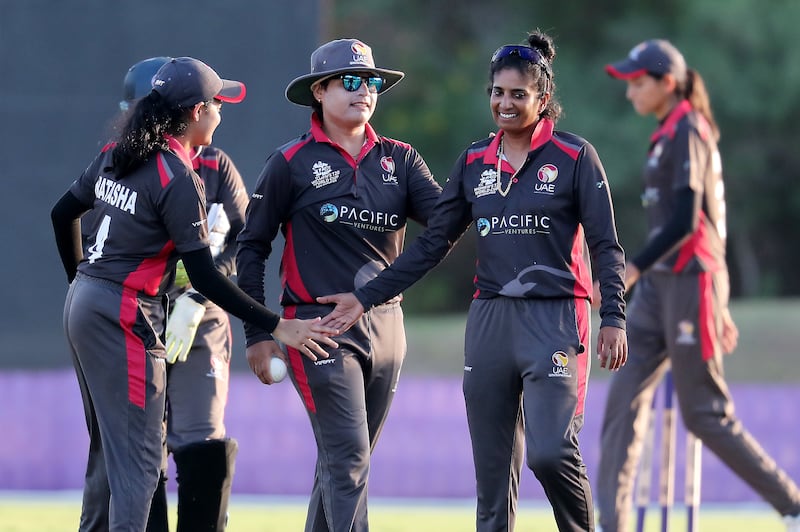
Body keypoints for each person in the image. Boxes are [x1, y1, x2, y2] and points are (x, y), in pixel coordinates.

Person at [317, 30, 628, 532]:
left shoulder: (575, 156)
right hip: (489, 323)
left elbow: (606, 245)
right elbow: (432, 243)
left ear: (542, 99)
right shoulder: (473, 161)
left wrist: (614, 316)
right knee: (492, 484)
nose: (505, 104)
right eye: (497, 93)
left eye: (518, 95)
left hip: (555, 319)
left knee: (549, 453)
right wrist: (366, 298)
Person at [51, 56, 338, 532]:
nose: (222, 112)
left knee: (111, 450)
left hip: (86, 301)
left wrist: (82, 280)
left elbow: (62, 215)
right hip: (126, 312)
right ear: (196, 111)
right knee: (142, 464)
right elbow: (204, 276)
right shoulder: (176, 174)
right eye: (218, 103)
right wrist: (274, 323)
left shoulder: (117, 152)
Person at [235, 38, 442, 531]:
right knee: (349, 459)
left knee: (345, 462)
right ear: (320, 91)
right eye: (350, 81)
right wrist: (258, 334)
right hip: (318, 330)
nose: (363, 91)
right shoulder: (289, 162)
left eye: (370, 82)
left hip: (387, 325)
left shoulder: (403, 160)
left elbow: (446, 226)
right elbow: (251, 247)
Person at [595, 39, 800, 532]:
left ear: (667, 84)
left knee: (704, 414)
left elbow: (691, 220)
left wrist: (641, 269)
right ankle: (611, 523)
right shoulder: (667, 130)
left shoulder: (689, 126)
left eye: (638, 83)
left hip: (691, 282)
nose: (630, 94)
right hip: (659, 290)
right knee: (621, 406)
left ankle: (793, 506)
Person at [115, 57, 250, 532]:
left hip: (202, 317)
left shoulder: (216, 164)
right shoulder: (120, 166)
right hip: (139, 315)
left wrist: (198, 297)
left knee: (202, 437)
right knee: (141, 440)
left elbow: (241, 238)